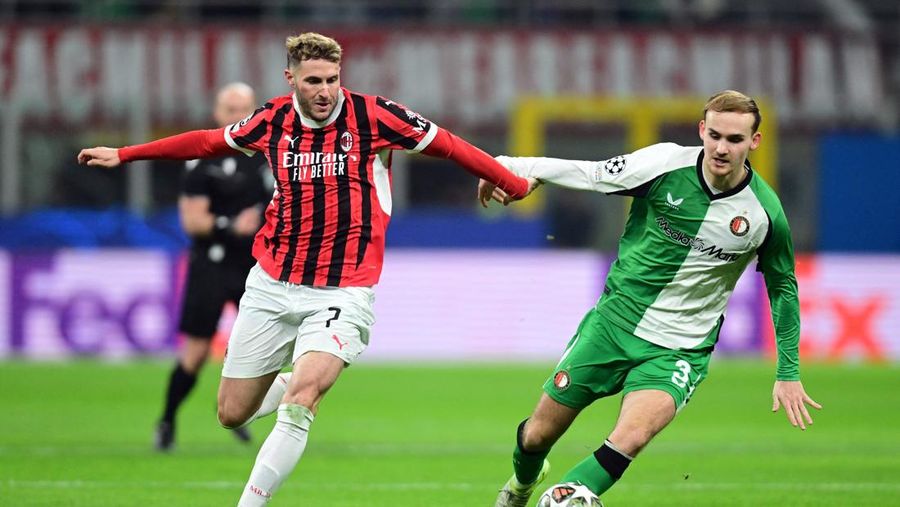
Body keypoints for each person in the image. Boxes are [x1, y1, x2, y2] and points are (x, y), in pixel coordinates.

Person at [78, 32, 530, 506]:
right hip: (272, 282)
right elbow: (209, 142)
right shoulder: (271, 120)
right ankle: (286, 379)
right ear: (290, 78)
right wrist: (126, 154)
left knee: (301, 403)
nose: (324, 91)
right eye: (313, 80)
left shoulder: (375, 116)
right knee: (231, 414)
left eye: (332, 80)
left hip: (343, 288)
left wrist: (509, 180)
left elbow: (451, 145)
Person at [479, 90, 822, 506]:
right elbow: (593, 174)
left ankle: (570, 495)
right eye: (714, 135)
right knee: (537, 435)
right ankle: (520, 486)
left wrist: (788, 371)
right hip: (613, 325)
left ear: (754, 142)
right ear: (702, 130)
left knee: (633, 436)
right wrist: (516, 167)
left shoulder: (764, 214)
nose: (721, 147)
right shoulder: (664, 164)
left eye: (734, 140)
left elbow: (783, 286)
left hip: (680, 347)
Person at [154, 82, 271, 452]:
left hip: (253, 266)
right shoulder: (202, 160)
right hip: (211, 263)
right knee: (198, 351)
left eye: (244, 109)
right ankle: (168, 419)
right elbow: (192, 221)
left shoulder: (269, 155)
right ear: (217, 113)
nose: (238, 116)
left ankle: (238, 410)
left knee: (260, 347)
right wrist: (230, 225)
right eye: (230, 109)